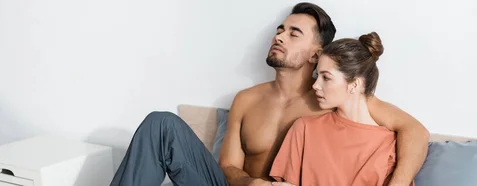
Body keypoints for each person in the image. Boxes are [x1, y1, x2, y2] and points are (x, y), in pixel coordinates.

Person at [110, 2, 429, 186]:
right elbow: (227, 168)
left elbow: (414, 130)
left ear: (316, 53)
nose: (280, 36)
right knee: (160, 124)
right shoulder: (247, 99)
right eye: (280, 29)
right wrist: (250, 183)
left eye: (294, 33)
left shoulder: (332, 99)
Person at [269, 32, 414, 186]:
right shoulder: (304, 129)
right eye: (317, 75)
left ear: (354, 85)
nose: (315, 85)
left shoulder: (389, 146)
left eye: (326, 77)